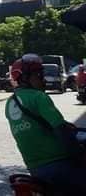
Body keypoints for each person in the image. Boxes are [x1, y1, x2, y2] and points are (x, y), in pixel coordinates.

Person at [6, 54, 86, 195]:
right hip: (59, 163)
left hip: (34, 168)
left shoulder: (10, 102)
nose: (43, 79)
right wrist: (78, 155)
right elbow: (61, 129)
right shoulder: (39, 97)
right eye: (38, 75)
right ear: (24, 78)